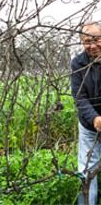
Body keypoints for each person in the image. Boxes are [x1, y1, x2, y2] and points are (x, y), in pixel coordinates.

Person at [70, 22, 101, 204]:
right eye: (87, 41)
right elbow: (79, 97)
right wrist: (95, 118)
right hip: (89, 127)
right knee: (87, 172)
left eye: (97, 40)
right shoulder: (78, 64)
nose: (92, 45)